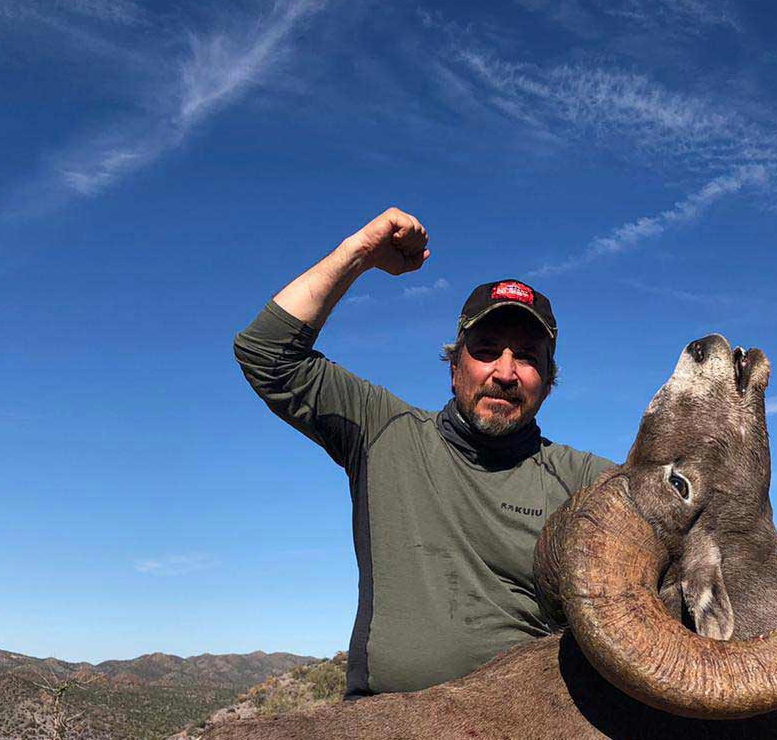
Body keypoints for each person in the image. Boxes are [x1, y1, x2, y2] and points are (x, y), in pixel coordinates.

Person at [233, 207, 616, 698]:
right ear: (454, 367)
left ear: (547, 382)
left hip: (526, 729)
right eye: (486, 350)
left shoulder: (584, 482)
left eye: (526, 356)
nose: (504, 372)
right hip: (382, 725)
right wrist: (360, 253)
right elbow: (266, 353)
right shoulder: (384, 431)